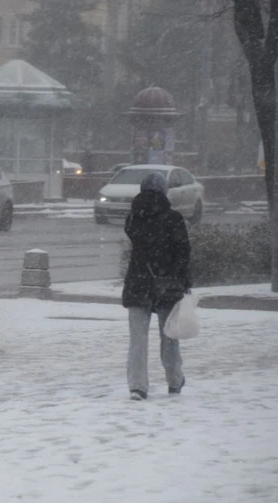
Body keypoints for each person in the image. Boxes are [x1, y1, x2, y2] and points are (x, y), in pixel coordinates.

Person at [122, 171, 191, 401]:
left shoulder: (133, 217)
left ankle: (137, 387)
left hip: (138, 283)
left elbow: (135, 237)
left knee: (138, 340)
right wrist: (185, 282)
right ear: (165, 190)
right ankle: (174, 380)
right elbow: (183, 253)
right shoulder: (174, 218)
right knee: (169, 336)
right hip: (167, 284)